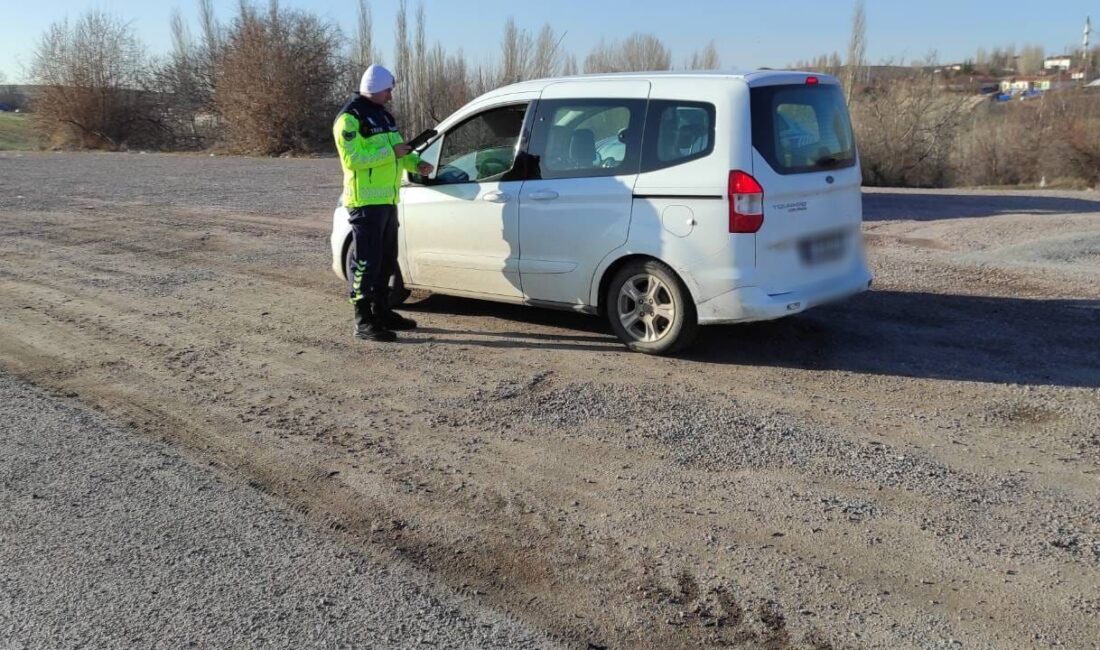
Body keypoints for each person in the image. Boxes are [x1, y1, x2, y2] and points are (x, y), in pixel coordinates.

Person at [333, 64, 433, 342]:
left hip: (388, 199)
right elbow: (352, 160)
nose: (390, 95)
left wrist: (416, 163)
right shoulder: (349, 119)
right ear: (376, 89)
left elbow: (400, 151)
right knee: (366, 262)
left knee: (387, 260)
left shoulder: (384, 116)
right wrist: (390, 152)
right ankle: (364, 321)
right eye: (388, 90)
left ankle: (382, 311)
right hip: (365, 202)